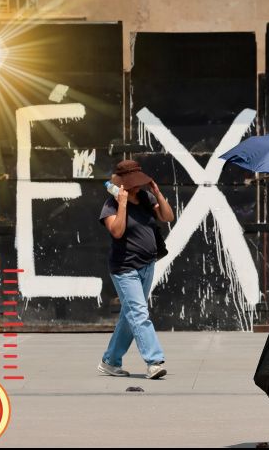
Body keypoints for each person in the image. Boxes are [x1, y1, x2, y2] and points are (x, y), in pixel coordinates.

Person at [98, 159, 175, 380]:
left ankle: (110, 361)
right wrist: (122, 204)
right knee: (139, 314)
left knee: (130, 316)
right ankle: (154, 361)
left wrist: (158, 193)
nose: (138, 186)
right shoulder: (110, 206)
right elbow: (117, 232)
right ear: (124, 184)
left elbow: (167, 216)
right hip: (124, 269)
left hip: (147, 265)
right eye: (134, 183)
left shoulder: (145, 198)